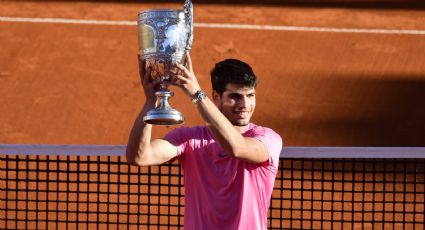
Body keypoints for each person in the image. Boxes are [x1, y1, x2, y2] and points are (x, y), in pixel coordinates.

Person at [126, 52, 283, 230]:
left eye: (250, 96)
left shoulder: (268, 139)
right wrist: (151, 103)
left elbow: (237, 148)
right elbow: (139, 157)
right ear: (216, 98)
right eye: (235, 97)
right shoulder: (189, 140)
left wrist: (196, 94)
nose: (245, 105)